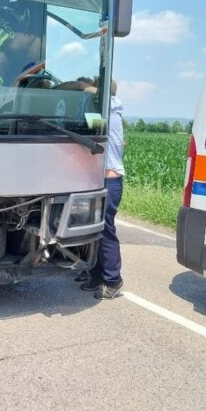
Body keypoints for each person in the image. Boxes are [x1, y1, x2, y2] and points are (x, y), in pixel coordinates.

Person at [78, 79, 125, 299]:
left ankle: (113, 279)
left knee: (105, 230)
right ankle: (97, 274)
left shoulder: (106, 112)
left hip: (110, 180)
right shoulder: (110, 110)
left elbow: (86, 92)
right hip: (103, 179)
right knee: (94, 230)